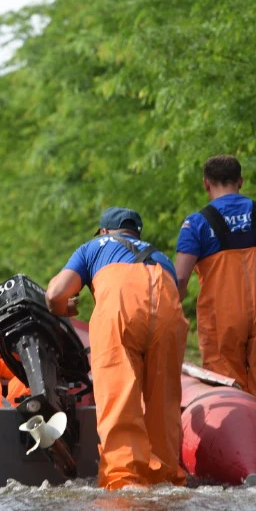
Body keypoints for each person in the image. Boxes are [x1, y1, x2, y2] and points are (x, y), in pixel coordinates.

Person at [45, 207, 188, 489]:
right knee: (164, 403)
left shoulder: (92, 247)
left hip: (121, 314)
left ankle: (124, 481)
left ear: (103, 231)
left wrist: (66, 307)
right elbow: (176, 294)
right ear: (137, 233)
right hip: (169, 317)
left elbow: (55, 294)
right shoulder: (161, 256)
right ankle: (166, 480)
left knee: (120, 397)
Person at [174, 154, 256, 428]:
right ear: (241, 182)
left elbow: (179, 279)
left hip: (222, 321)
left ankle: (237, 444)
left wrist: (167, 321)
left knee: (227, 390)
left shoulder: (196, 224)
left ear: (206, 184)